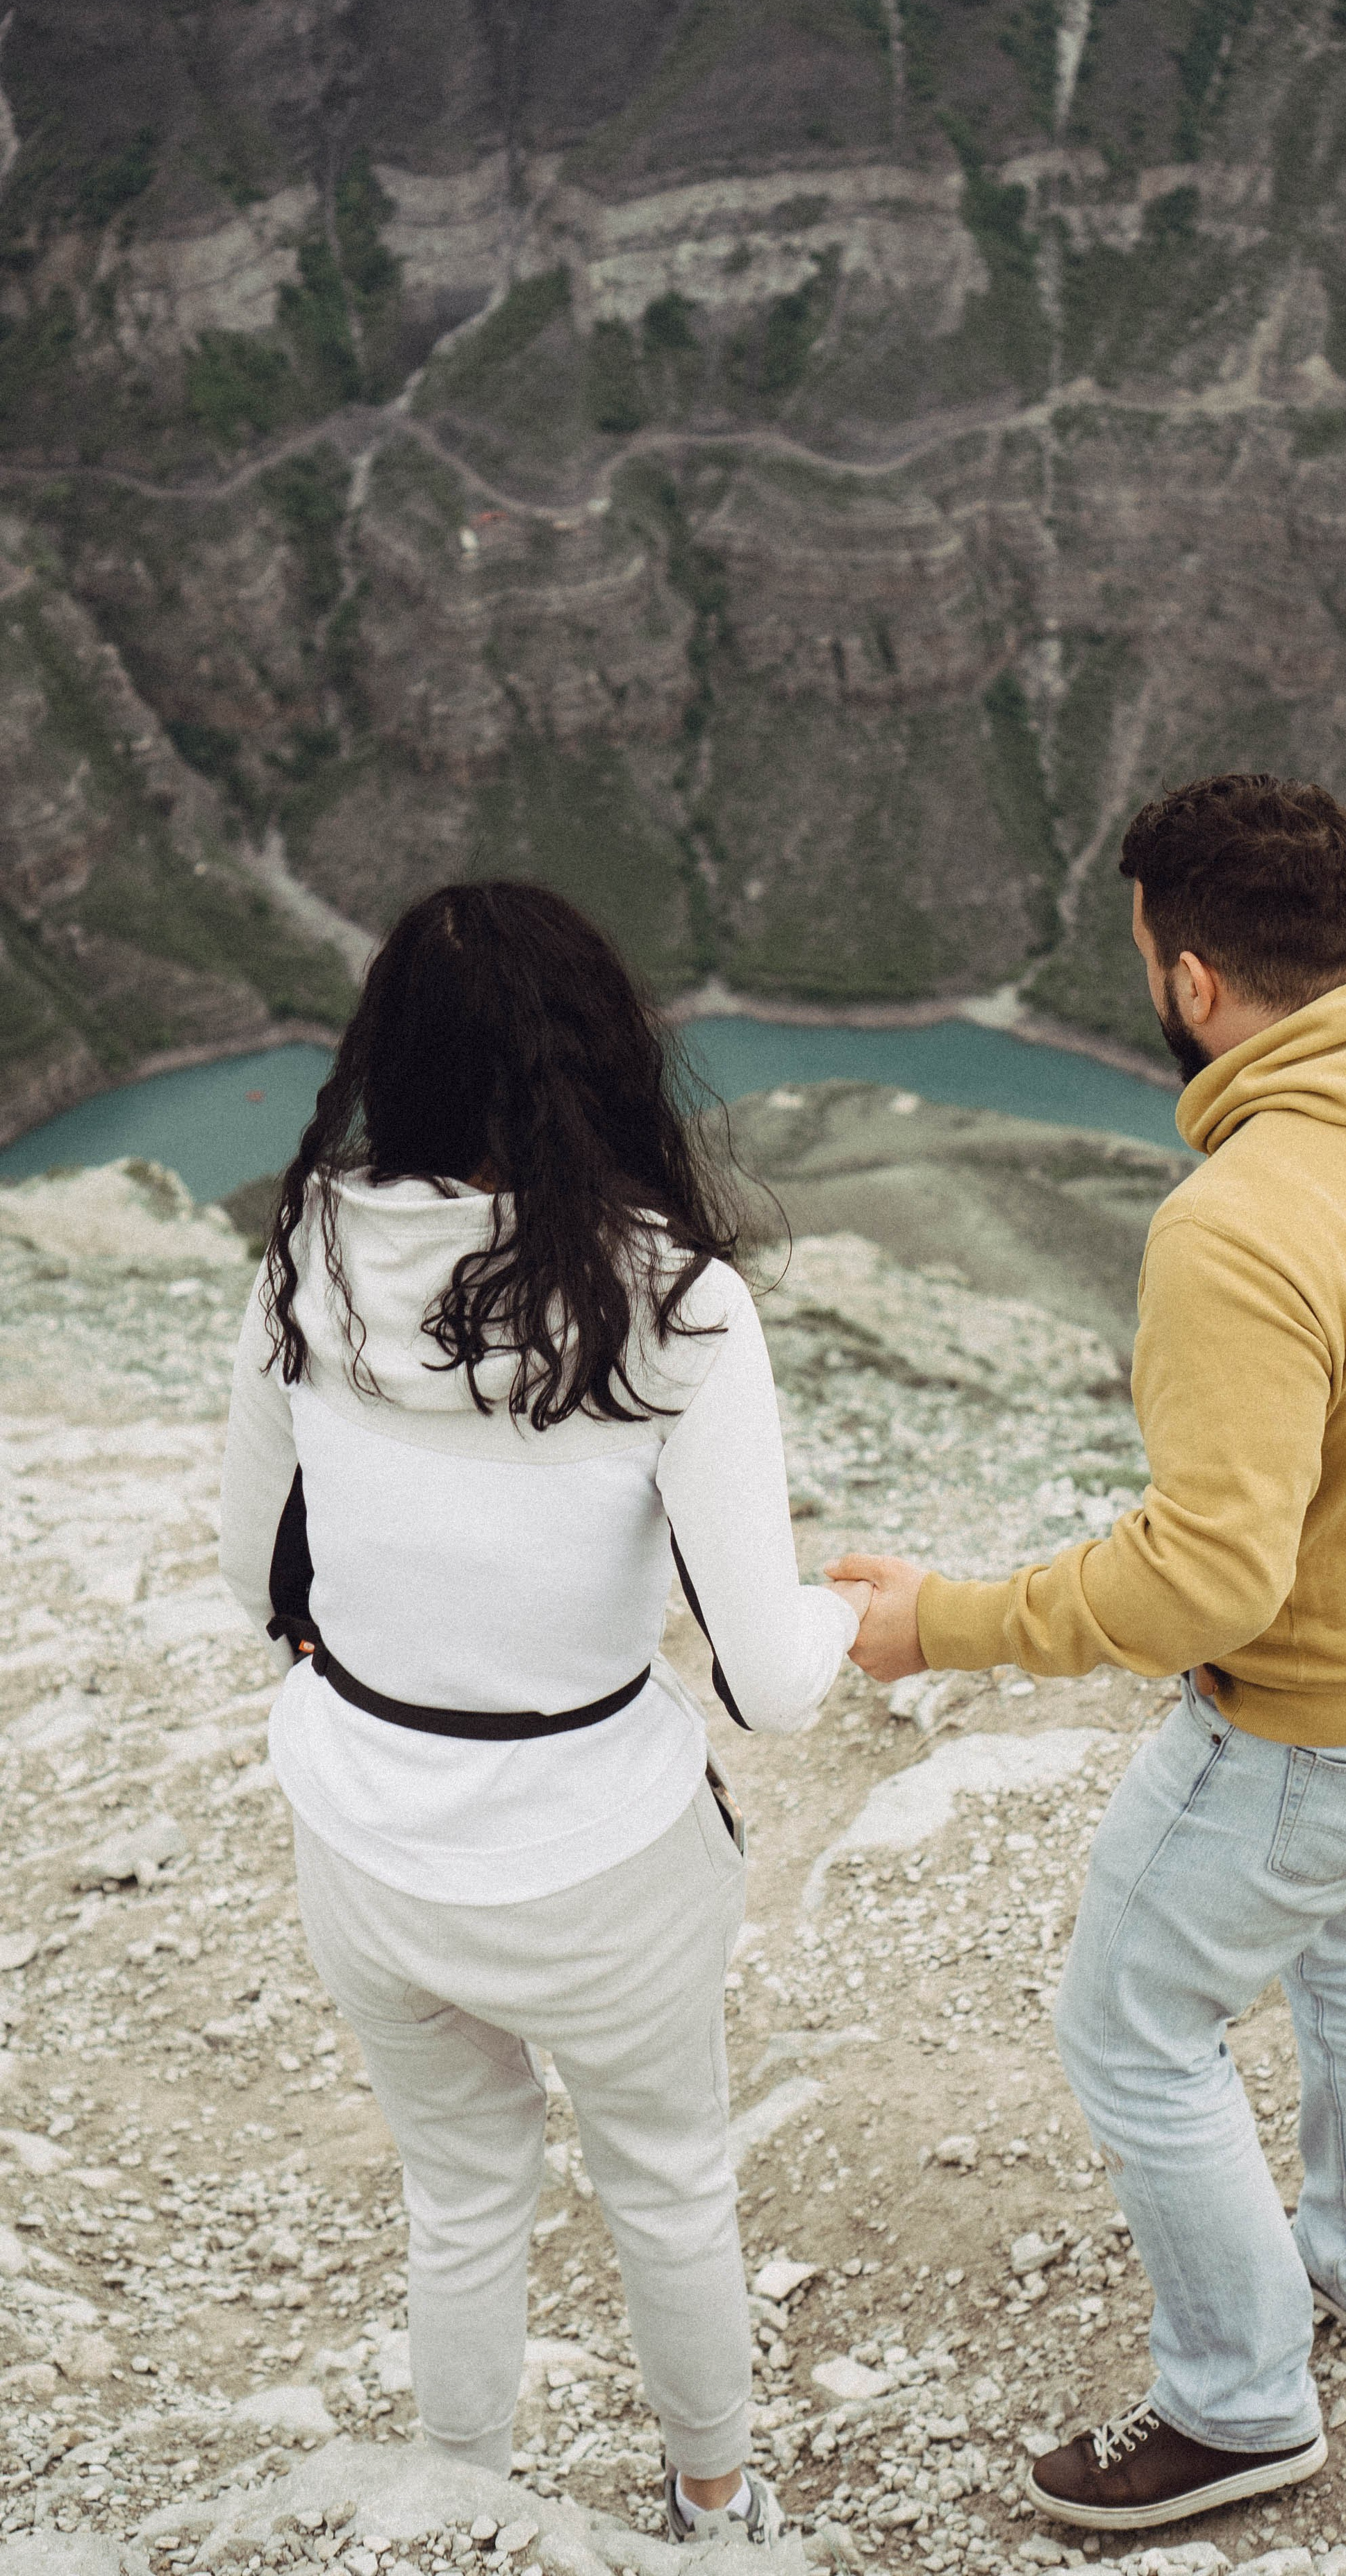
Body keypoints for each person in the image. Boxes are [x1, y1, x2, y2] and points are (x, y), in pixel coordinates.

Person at [832, 774, 1346, 2534]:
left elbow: (1203, 1586)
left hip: (1316, 1728)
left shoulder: (1239, 1223)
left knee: (1130, 2030)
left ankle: (1241, 2409)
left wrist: (932, 1623)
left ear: (1186, 980)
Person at [219, 882, 870, 2545]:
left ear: (395, 1065)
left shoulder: (304, 1247)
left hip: (363, 1836)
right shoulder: (676, 1306)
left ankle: (459, 2503)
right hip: (597, 1855)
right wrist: (861, 1607)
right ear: (604, 1058)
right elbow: (775, 1683)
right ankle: (708, 2509)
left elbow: (255, 1579)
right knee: (665, 2192)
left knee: (459, 2193)